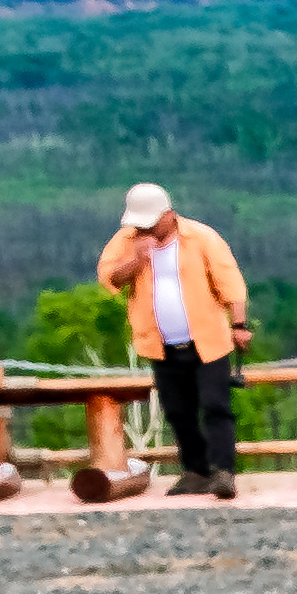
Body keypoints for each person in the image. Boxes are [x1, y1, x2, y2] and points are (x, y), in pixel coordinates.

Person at [98, 184, 250, 499]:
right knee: (177, 410)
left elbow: (231, 282)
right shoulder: (126, 242)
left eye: (151, 222)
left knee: (215, 405)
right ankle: (196, 470)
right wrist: (136, 260)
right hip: (160, 343)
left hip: (207, 340)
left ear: (168, 215)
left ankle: (223, 471)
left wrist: (239, 324)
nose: (145, 228)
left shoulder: (201, 237)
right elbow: (110, 278)